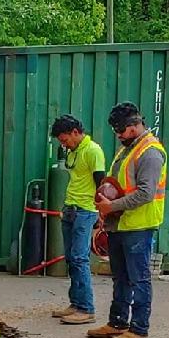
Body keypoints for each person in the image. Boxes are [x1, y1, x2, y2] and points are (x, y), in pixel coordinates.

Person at [91, 103, 167, 338]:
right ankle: (118, 322)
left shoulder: (150, 152)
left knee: (139, 279)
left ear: (135, 126)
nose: (118, 135)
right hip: (120, 223)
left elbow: (145, 193)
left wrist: (110, 207)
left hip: (138, 225)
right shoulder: (128, 149)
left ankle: (139, 329)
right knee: (121, 277)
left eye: (121, 130)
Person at [49, 114, 105, 325]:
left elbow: (101, 184)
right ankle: (75, 303)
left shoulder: (93, 151)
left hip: (86, 210)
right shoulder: (74, 152)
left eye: (65, 140)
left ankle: (86, 308)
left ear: (75, 132)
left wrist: (101, 213)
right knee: (71, 258)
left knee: (80, 258)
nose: (64, 144)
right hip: (71, 207)